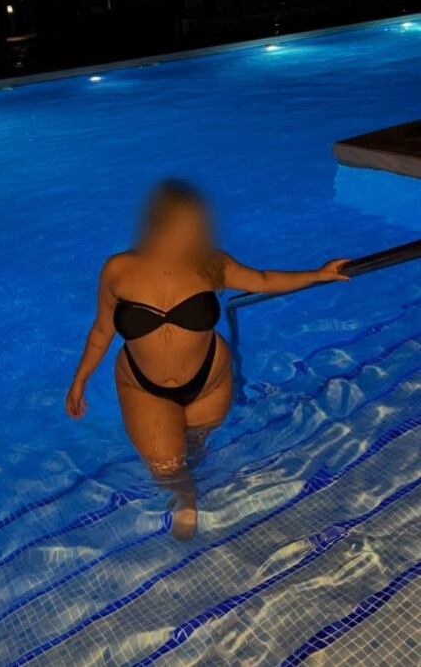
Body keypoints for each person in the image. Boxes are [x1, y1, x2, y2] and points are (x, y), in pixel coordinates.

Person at [65, 180, 349, 540]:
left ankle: (193, 478)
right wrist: (80, 379)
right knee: (166, 465)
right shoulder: (118, 270)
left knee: (195, 446)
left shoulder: (211, 264)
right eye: (182, 226)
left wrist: (319, 274)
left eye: (195, 227)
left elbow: (263, 280)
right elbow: (102, 330)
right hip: (143, 385)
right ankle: (186, 496)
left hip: (209, 382)